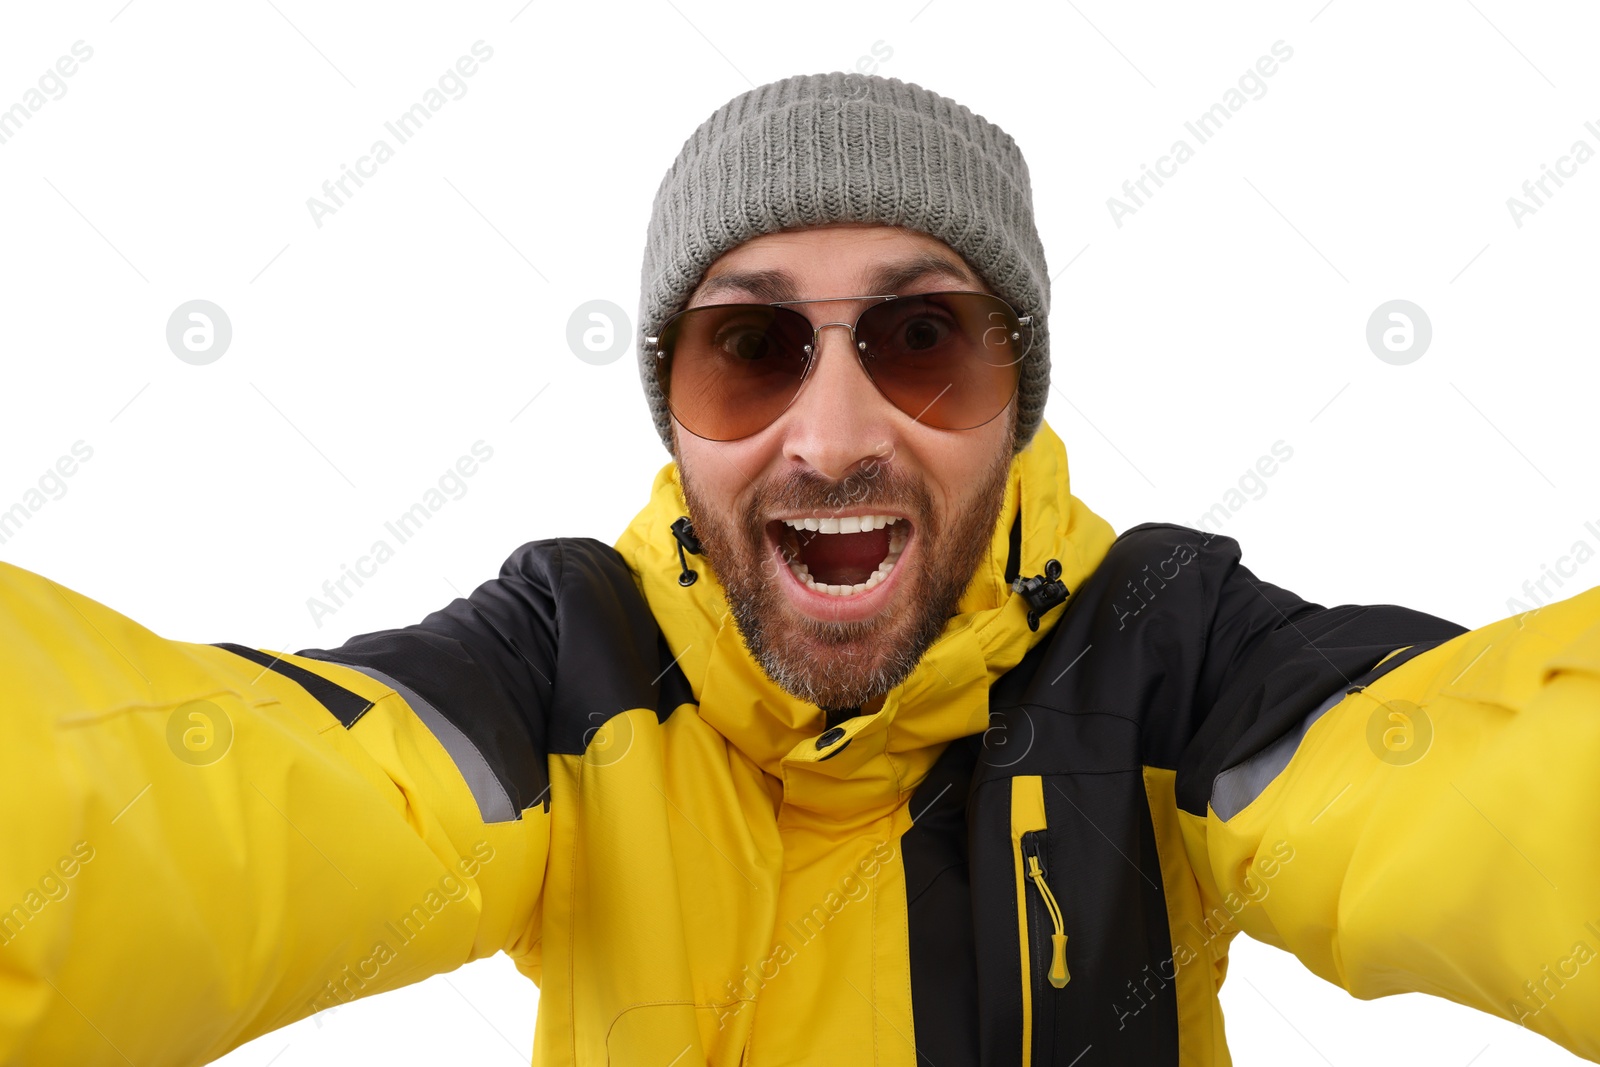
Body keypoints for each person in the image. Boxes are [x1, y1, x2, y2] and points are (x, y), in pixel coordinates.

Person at [3, 70, 1598, 1067]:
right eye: (750, 350)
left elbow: (1478, 787)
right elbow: (202, 811)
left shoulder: (1169, 658)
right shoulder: (566, 669)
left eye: (922, 340)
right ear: (673, 416)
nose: (835, 432)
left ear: (1019, 396)